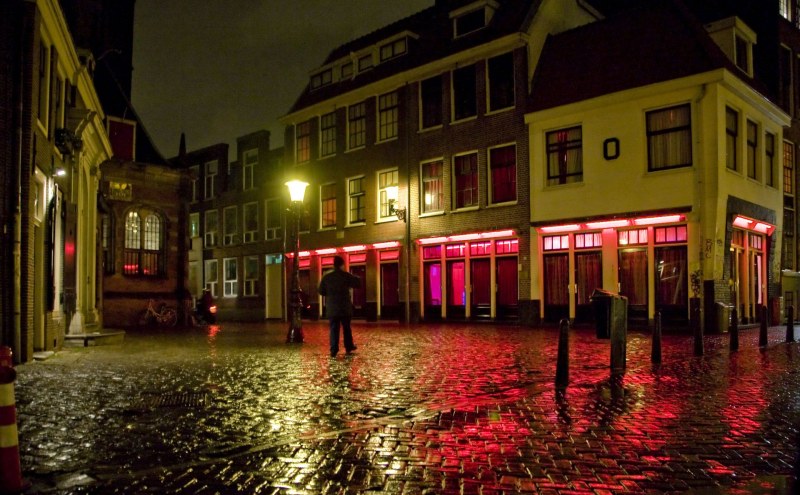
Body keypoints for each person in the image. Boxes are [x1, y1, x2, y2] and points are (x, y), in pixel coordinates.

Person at [318, 256, 360, 357]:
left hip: (332, 308)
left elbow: (321, 291)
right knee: (346, 328)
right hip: (344, 307)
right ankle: (349, 346)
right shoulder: (346, 275)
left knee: (334, 328)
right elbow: (357, 283)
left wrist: (330, 294)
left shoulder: (327, 277)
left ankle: (334, 349)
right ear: (342, 265)